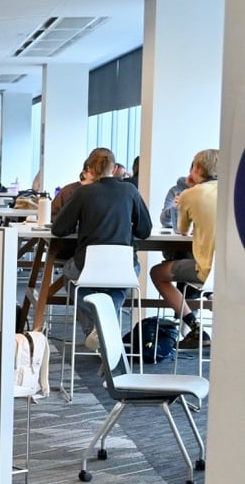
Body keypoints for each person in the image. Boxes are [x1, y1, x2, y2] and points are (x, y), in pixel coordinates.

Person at [51, 147, 152, 348]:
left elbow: (59, 229)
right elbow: (145, 231)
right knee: (118, 285)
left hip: (88, 264)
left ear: (89, 169)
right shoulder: (130, 191)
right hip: (124, 266)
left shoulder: (83, 193)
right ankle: (106, 328)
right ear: (114, 168)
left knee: (69, 277)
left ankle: (98, 329)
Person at [150, 148, 217, 349]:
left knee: (157, 273)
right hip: (231, 268)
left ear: (196, 168)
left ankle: (196, 329)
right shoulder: (232, 191)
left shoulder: (190, 194)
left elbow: (181, 230)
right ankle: (210, 296)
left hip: (205, 268)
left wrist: (186, 199)